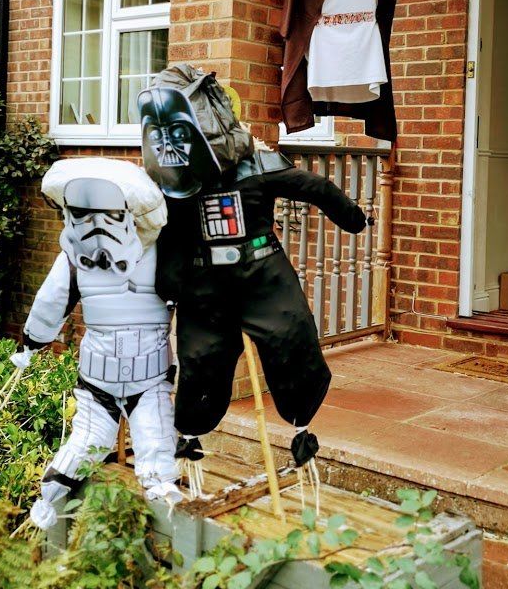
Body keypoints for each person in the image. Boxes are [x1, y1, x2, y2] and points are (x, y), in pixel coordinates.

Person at [138, 70, 367, 480]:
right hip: (216, 284)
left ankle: (297, 424)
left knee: (287, 342)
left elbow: (312, 187)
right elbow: (172, 235)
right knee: (204, 361)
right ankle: (192, 430)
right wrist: (168, 285)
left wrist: (353, 217)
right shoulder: (179, 180)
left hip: (254, 277)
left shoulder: (251, 165)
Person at [10, 157, 182, 529]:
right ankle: (48, 504)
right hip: (99, 379)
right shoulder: (75, 260)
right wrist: (32, 343)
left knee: (155, 448)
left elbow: (198, 302)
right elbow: (51, 301)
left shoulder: (166, 253)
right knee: (89, 443)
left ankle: (166, 521)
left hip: (149, 378)